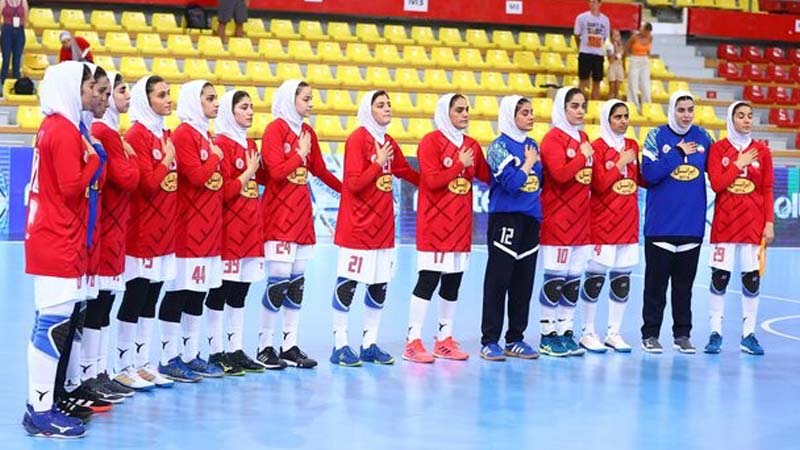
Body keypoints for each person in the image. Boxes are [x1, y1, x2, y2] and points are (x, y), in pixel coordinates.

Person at [22, 61, 99, 438]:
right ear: (71, 88)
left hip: (50, 234)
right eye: (86, 87)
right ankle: (40, 411)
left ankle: (39, 407)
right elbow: (71, 188)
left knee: (51, 321)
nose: (90, 93)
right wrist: (94, 161)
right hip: (57, 235)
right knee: (52, 324)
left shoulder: (51, 125)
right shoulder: (64, 130)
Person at [329, 90, 419, 367]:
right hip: (357, 228)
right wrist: (378, 163)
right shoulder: (357, 139)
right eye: (380, 105)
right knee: (348, 285)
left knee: (379, 286)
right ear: (368, 110)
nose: (387, 108)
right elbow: (354, 184)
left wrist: (437, 185)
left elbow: (406, 172)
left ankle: (369, 344)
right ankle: (339, 345)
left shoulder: (388, 141)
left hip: (383, 229)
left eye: (388, 104)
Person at [258, 80, 342, 369]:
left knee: (296, 285)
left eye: (311, 98)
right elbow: (276, 173)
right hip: (278, 215)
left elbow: (320, 170)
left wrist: (348, 191)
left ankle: (289, 345)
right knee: (277, 284)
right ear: (289, 99)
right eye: (306, 98)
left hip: (302, 217)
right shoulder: (274, 130)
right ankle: (264, 347)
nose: (311, 103)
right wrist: (298, 154)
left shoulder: (308, 132)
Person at [403, 93, 490, 364]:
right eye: (459, 110)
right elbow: (431, 181)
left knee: (453, 283)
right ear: (445, 113)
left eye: (467, 110)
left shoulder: (472, 145)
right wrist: (460, 165)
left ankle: (444, 339)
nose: (465, 114)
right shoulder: (430, 142)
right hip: (435, 228)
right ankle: (412, 341)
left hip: (461, 229)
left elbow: (487, 176)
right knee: (428, 281)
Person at [160, 80, 225, 378]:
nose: (216, 103)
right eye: (209, 98)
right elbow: (197, 177)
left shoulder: (205, 134)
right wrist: (215, 157)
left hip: (208, 230)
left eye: (216, 98)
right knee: (180, 292)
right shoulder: (184, 134)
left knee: (198, 293)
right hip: (187, 230)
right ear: (193, 101)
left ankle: (189, 354)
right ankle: (168, 357)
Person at [640, 91, 713, 354]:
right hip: (660, 226)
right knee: (655, 287)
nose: (686, 115)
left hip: (691, 226)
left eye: (690, 109)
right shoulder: (655, 136)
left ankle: (682, 334)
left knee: (684, 288)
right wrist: (677, 154)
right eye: (681, 110)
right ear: (672, 110)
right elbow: (649, 174)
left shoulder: (704, 137)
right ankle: (650, 335)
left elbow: (717, 173)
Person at [82, 72, 139, 400]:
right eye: (119, 91)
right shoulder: (103, 131)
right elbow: (128, 178)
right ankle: (89, 374)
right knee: (98, 304)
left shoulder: (112, 132)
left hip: (114, 228)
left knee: (104, 303)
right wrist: (131, 157)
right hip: (105, 228)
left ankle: (98, 370)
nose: (125, 96)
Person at [119, 75, 178, 387]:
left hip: (164, 233)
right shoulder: (137, 135)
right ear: (146, 99)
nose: (168, 100)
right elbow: (148, 184)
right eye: (161, 95)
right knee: (135, 299)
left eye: (168, 94)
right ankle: (123, 364)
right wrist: (167, 159)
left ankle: (142, 363)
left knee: (151, 300)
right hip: (142, 232)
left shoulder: (164, 133)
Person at [704, 101, 774, 356]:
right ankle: (715, 333)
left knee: (751, 280)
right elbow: (717, 184)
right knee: (719, 278)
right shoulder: (718, 149)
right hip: (725, 224)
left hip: (753, 226)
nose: (746, 120)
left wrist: (769, 222)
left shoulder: (762, 151)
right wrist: (738, 163)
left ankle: (748, 335)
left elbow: (767, 189)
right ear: (731, 119)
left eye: (749, 116)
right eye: (741, 116)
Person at [204, 89, 265, 374]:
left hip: (251, 230)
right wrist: (248, 172)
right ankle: (216, 351)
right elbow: (224, 192)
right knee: (221, 291)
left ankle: (235, 348)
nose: (250, 112)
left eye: (251, 106)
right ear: (231, 112)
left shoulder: (250, 143)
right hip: (229, 231)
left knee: (241, 292)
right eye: (243, 107)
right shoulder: (221, 144)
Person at [479, 95, 543, 362]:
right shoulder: (498, 147)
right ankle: (489, 340)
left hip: (531, 220)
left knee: (523, 282)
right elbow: (512, 184)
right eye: (524, 112)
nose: (530, 116)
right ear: (510, 115)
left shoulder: (532, 144)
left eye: (531, 111)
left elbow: (539, 182)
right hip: (506, 219)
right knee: (498, 280)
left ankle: (515, 338)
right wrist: (528, 163)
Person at [579, 100, 641, 353]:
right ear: (607, 119)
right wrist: (620, 163)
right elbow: (599, 185)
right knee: (595, 279)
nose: (623, 121)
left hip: (628, 223)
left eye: (626, 116)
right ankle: (587, 331)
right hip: (602, 224)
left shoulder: (632, 145)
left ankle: (614, 332)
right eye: (618, 117)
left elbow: (639, 180)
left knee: (622, 279)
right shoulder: (596, 147)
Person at [538, 87, 593, 358]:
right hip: (558, 221)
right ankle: (547, 335)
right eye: (574, 106)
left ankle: (566, 330)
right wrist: (582, 156)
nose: (580, 111)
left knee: (573, 280)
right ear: (562, 107)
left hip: (582, 222)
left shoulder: (583, 137)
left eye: (583, 106)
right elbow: (560, 174)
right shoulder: (552, 138)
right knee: (555, 279)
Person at [574, 0, 610, 100]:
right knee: (583, 80)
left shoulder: (605, 20)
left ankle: (594, 104)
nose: (592, 4)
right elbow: (576, 34)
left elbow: (605, 37)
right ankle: (580, 102)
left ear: (599, 4)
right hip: (585, 52)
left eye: (594, 2)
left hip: (598, 54)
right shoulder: (582, 17)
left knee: (597, 81)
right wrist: (580, 46)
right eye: (590, 2)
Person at [0, 0, 28, 90]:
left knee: (17, 59)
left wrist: (21, 25)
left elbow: (26, 16)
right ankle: (2, 83)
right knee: (6, 59)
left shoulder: (23, 1)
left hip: (19, 30)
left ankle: (17, 85)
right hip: (7, 30)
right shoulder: (3, 1)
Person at [626, 22, 653, 110]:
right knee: (633, 84)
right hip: (635, 59)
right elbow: (627, 48)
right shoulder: (634, 37)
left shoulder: (650, 37)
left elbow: (649, 50)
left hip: (644, 60)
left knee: (645, 85)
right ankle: (633, 105)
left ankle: (647, 106)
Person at [606, 30, 625, 101]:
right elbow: (610, 60)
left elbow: (623, 58)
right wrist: (616, 51)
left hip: (619, 66)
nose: (617, 37)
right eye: (615, 35)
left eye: (618, 35)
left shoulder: (621, 46)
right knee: (612, 89)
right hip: (612, 67)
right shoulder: (609, 46)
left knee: (617, 90)